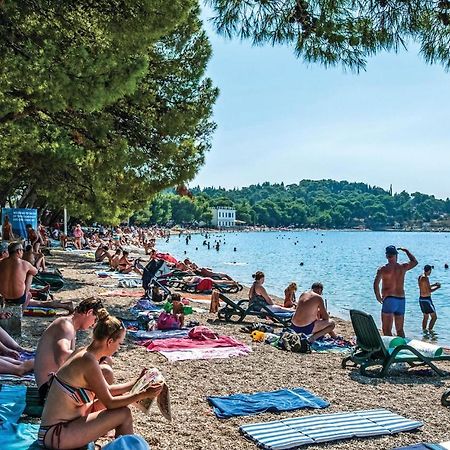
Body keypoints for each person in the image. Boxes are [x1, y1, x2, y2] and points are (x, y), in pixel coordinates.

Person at [38, 310, 163, 449]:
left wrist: (137, 381)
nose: (118, 348)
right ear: (110, 342)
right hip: (55, 434)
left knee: (121, 407)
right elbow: (109, 402)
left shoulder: (84, 353)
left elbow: (106, 390)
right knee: (123, 413)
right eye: (119, 343)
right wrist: (143, 394)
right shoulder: (88, 361)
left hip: (62, 426)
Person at [34, 298, 111, 403]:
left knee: (105, 361)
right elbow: (62, 355)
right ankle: (102, 406)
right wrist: (92, 359)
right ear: (89, 312)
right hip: (49, 390)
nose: (93, 324)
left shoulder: (69, 326)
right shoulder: (65, 325)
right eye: (95, 319)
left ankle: (101, 403)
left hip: (53, 385)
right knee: (105, 371)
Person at [0, 242, 73, 312]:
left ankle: (38, 293)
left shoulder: (2, 262)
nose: (23, 252)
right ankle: (21, 310)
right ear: (18, 251)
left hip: (4, 297)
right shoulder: (24, 263)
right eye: (22, 250)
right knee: (30, 275)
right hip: (19, 298)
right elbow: (35, 271)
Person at [373, 245, 418, 337]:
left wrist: (378, 296)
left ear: (386, 256)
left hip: (389, 300)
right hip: (401, 300)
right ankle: (402, 349)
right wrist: (406, 251)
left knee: (386, 330)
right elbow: (415, 262)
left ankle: (390, 350)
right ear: (396, 255)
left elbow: (376, 284)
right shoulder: (403, 267)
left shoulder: (383, 269)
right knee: (400, 330)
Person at [418, 264, 441, 333]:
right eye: (430, 271)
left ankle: (424, 332)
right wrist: (438, 287)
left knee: (426, 317)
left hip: (421, 299)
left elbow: (424, 286)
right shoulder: (426, 278)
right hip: (427, 299)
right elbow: (429, 290)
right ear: (429, 270)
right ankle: (430, 331)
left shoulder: (420, 277)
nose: (430, 272)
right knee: (434, 317)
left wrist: (434, 284)